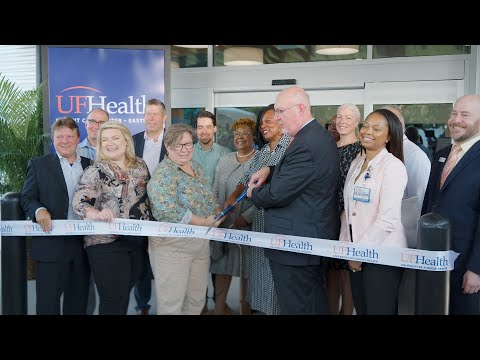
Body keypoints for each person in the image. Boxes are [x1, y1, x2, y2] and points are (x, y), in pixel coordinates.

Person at [247, 86, 339, 315]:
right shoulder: (314, 136)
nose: (276, 117)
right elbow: (300, 173)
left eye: (280, 111)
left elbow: (277, 194)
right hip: (303, 244)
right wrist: (269, 168)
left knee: (298, 307)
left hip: (296, 248)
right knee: (311, 304)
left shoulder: (306, 143)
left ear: (301, 108)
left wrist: (252, 194)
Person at [73, 122, 151, 315]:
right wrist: (96, 213)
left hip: (137, 242)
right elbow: (80, 202)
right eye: (104, 140)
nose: (110, 143)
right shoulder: (95, 170)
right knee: (112, 301)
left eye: (115, 138)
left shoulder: (140, 165)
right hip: (105, 244)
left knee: (123, 295)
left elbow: (149, 198)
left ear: (126, 140)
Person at [147, 124, 223, 315]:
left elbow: (208, 194)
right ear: (168, 146)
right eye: (179, 145)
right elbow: (168, 210)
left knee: (196, 301)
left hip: (200, 244)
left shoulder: (196, 166)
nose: (185, 149)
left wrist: (217, 210)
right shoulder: (163, 173)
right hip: (173, 247)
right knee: (171, 305)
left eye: (188, 144)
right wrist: (205, 222)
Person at [20, 117, 91, 315]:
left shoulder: (91, 165)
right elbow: (27, 197)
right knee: (47, 303)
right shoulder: (38, 165)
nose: (65, 140)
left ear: (78, 138)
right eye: (60, 137)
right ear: (53, 139)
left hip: (83, 246)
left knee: (78, 302)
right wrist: (39, 210)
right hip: (51, 245)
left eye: (70, 136)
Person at [339, 108, 407, 315]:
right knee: (362, 309)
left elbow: (388, 219)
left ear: (389, 137)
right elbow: (349, 211)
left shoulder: (393, 167)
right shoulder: (357, 163)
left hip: (382, 255)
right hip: (356, 253)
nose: (368, 131)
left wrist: (359, 253)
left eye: (376, 128)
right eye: (366, 125)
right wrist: (347, 248)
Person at [225, 104, 291, 315]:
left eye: (268, 122)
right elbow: (246, 181)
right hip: (259, 228)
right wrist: (232, 197)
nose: (263, 126)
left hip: (280, 227)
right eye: (261, 123)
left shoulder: (291, 148)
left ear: (281, 122)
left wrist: (246, 214)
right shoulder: (263, 152)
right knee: (259, 281)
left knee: (278, 283)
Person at [422, 94, 480, 315]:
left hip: (466, 267)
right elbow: (430, 204)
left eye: (465, 115)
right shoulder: (443, 154)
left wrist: (476, 269)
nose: (456, 119)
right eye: (454, 113)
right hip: (434, 260)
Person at [382, 106, 431, 315]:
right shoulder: (381, 153)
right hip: (382, 243)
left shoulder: (415, 156)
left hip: (405, 244)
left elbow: (420, 202)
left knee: (402, 301)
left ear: (396, 126)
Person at [210, 118, 257, 315]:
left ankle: (245, 311)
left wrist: (246, 217)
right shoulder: (225, 160)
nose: (240, 137)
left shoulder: (260, 160)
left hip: (247, 226)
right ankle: (219, 310)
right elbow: (214, 190)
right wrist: (217, 209)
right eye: (237, 134)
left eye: (245, 133)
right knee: (222, 270)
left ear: (253, 137)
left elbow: (264, 193)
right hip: (223, 225)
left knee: (247, 272)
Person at [131, 98, 168, 316]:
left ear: (164, 118)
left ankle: (167, 305)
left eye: (155, 114)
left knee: (164, 260)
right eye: (148, 113)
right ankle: (142, 306)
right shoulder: (133, 141)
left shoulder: (172, 141)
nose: (150, 118)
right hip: (139, 211)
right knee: (141, 262)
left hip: (165, 212)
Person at [192, 110, 229, 313]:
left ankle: (219, 305)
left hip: (218, 216)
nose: (204, 131)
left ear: (215, 129)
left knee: (217, 262)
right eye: (200, 127)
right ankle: (201, 305)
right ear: (195, 130)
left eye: (208, 126)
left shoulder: (225, 153)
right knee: (198, 265)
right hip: (195, 218)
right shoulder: (188, 151)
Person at [326, 104, 361, 316]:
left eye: (348, 117)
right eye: (339, 117)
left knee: (347, 276)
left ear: (357, 122)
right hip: (326, 217)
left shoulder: (362, 150)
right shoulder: (329, 148)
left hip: (348, 219)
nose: (342, 121)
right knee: (330, 273)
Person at [76, 108, 110, 315]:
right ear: (86, 123)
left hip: (110, 224)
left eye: (101, 122)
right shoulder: (74, 150)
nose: (96, 126)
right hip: (83, 221)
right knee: (85, 279)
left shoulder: (115, 150)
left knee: (109, 282)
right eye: (92, 121)